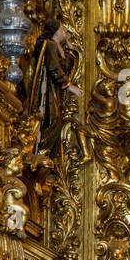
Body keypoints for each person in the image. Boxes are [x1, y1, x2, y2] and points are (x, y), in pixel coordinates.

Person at [25, 18, 84, 161]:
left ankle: (47, 154)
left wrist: (69, 45)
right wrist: (71, 87)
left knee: (56, 121)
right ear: (56, 30)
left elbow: (66, 67)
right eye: (62, 28)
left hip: (55, 90)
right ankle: (42, 153)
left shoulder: (58, 46)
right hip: (48, 91)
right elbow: (54, 69)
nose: (65, 31)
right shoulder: (50, 45)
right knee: (51, 119)